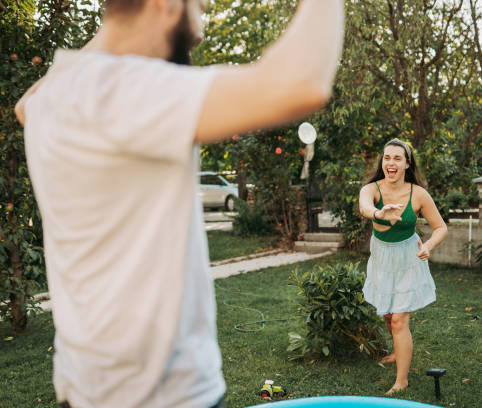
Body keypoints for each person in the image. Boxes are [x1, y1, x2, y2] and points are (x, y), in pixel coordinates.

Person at [14, 0, 344, 407]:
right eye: (200, 6)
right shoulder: (119, 91)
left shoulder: (59, 92)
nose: (202, 24)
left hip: (87, 388)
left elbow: (23, 107)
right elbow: (302, 82)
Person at [358, 138, 448, 395]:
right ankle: (399, 351)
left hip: (409, 258)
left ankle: (402, 381)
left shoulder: (419, 194)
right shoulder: (371, 189)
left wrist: (428, 246)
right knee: (388, 314)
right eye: (387, 158)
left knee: (399, 320)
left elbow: (441, 227)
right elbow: (364, 206)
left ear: (407, 164)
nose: (391, 163)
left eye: (397, 158)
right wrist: (378, 213)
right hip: (382, 258)